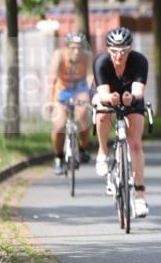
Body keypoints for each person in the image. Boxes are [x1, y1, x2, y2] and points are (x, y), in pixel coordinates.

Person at [93, 27, 151, 218]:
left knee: (135, 144)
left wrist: (130, 98)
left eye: (124, 51)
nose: (119, 55)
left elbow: (138, 92)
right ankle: (102, 151)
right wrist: (109, 98)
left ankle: (139, 197)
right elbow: (102, 94)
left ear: (130, 49)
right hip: (108, 94)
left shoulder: (139, 61)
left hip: (130, 96)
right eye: (114, 51)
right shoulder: (101, 62)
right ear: (107, 49)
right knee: (102, 113)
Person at [45, 32, 94, 175]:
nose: (77, 51)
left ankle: (83, 148)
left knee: (83, 115)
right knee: (59, 125)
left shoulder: (87, 56)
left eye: (80, 48)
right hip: (62, 92)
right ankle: (59, 157)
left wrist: (91, 96)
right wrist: (50, 101)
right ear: (67, 48)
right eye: (73, 48)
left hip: (80, 90)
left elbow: (90, 76)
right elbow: (52, 79)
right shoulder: (59, 55)